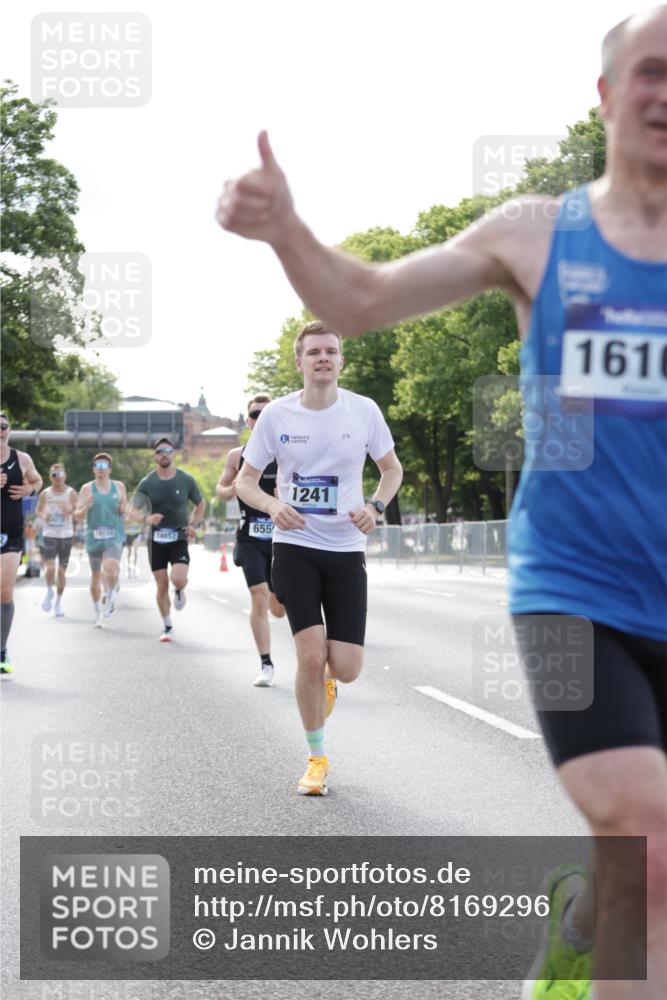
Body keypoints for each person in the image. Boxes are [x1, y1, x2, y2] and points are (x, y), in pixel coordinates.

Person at [217, 7, 667, 996]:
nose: (663, 93)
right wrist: (287, 230)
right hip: (574, 591)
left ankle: (577, 927)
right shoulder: (540, 235)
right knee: (649, 843)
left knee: (639, 864)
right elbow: (365, 299)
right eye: (648, 71)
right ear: (603, 96)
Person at [236, 322, 403, 796]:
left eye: (331, 351)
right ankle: (316, 759)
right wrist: (272, 506)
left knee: (345, 667)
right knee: (309, 656)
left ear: (341, 360)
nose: (323, 358)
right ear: (300, 362)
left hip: (346, 546)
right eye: (314, 352)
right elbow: (248, 480)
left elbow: (391, 469)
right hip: (295, 546)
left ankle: (328, 681)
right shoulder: (277, 416)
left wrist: (375, 507)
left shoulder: (364, 412)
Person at [216, 393, 286, 687]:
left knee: (279, 608)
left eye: (265, 413)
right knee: (258, 593)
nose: (259, 418)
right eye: (255, 414)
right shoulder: (237, 455)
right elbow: (220, 489)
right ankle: (266, 663)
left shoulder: (286, 453)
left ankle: (278, 596)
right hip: (249, 538)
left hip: (281, 538)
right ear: (248, 420)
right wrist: (234, 488)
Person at [131, 437, 205, 642]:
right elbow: (132, 510)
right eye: (160, 451)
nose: (164, 454)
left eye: (168, 450)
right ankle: (167, 626)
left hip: (179, 536)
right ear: (155, 456)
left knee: (178, 579)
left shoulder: (185, 479)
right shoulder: (148, 482)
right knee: (161, 584)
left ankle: (180, 590)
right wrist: (147, 518)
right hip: (156, 540)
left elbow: (200, 504)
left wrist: (194, 525)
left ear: (174, 454)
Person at [0, 413, 43, 674]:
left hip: (11, 532)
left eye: (3, 426)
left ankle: (2, 650)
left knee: (4, 592)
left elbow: (38, 481)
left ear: (9, 430)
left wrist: (30, 490)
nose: (0, 431)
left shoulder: (22, 459)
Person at [75, 454, 127, 628]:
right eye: (97, 464)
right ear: (93, 468)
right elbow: (77, 515)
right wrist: (86, 506)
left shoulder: (118, 487)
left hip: (114, 535)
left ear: (110, 469)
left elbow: (123, 509)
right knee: (96, 576)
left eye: (104, 464)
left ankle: (110, 594)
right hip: (93, 536)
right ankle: (98, 614)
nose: (101, 467)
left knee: (111, 568)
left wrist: (123, 509)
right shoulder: (86, 489)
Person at [36, 463, 78, 617]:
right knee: (50, 568)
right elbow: (38, 510)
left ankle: (58, 602)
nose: (57, 478)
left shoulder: (71, 492)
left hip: (66, 535)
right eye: (54, 475)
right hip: (49, 534)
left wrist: (71, 510)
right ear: (50, 477)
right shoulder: (45, 493)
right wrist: (43, 516)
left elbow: (78, 509)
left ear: (65, 476)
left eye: (60, 474)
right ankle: (49, 592)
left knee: (61, 572)